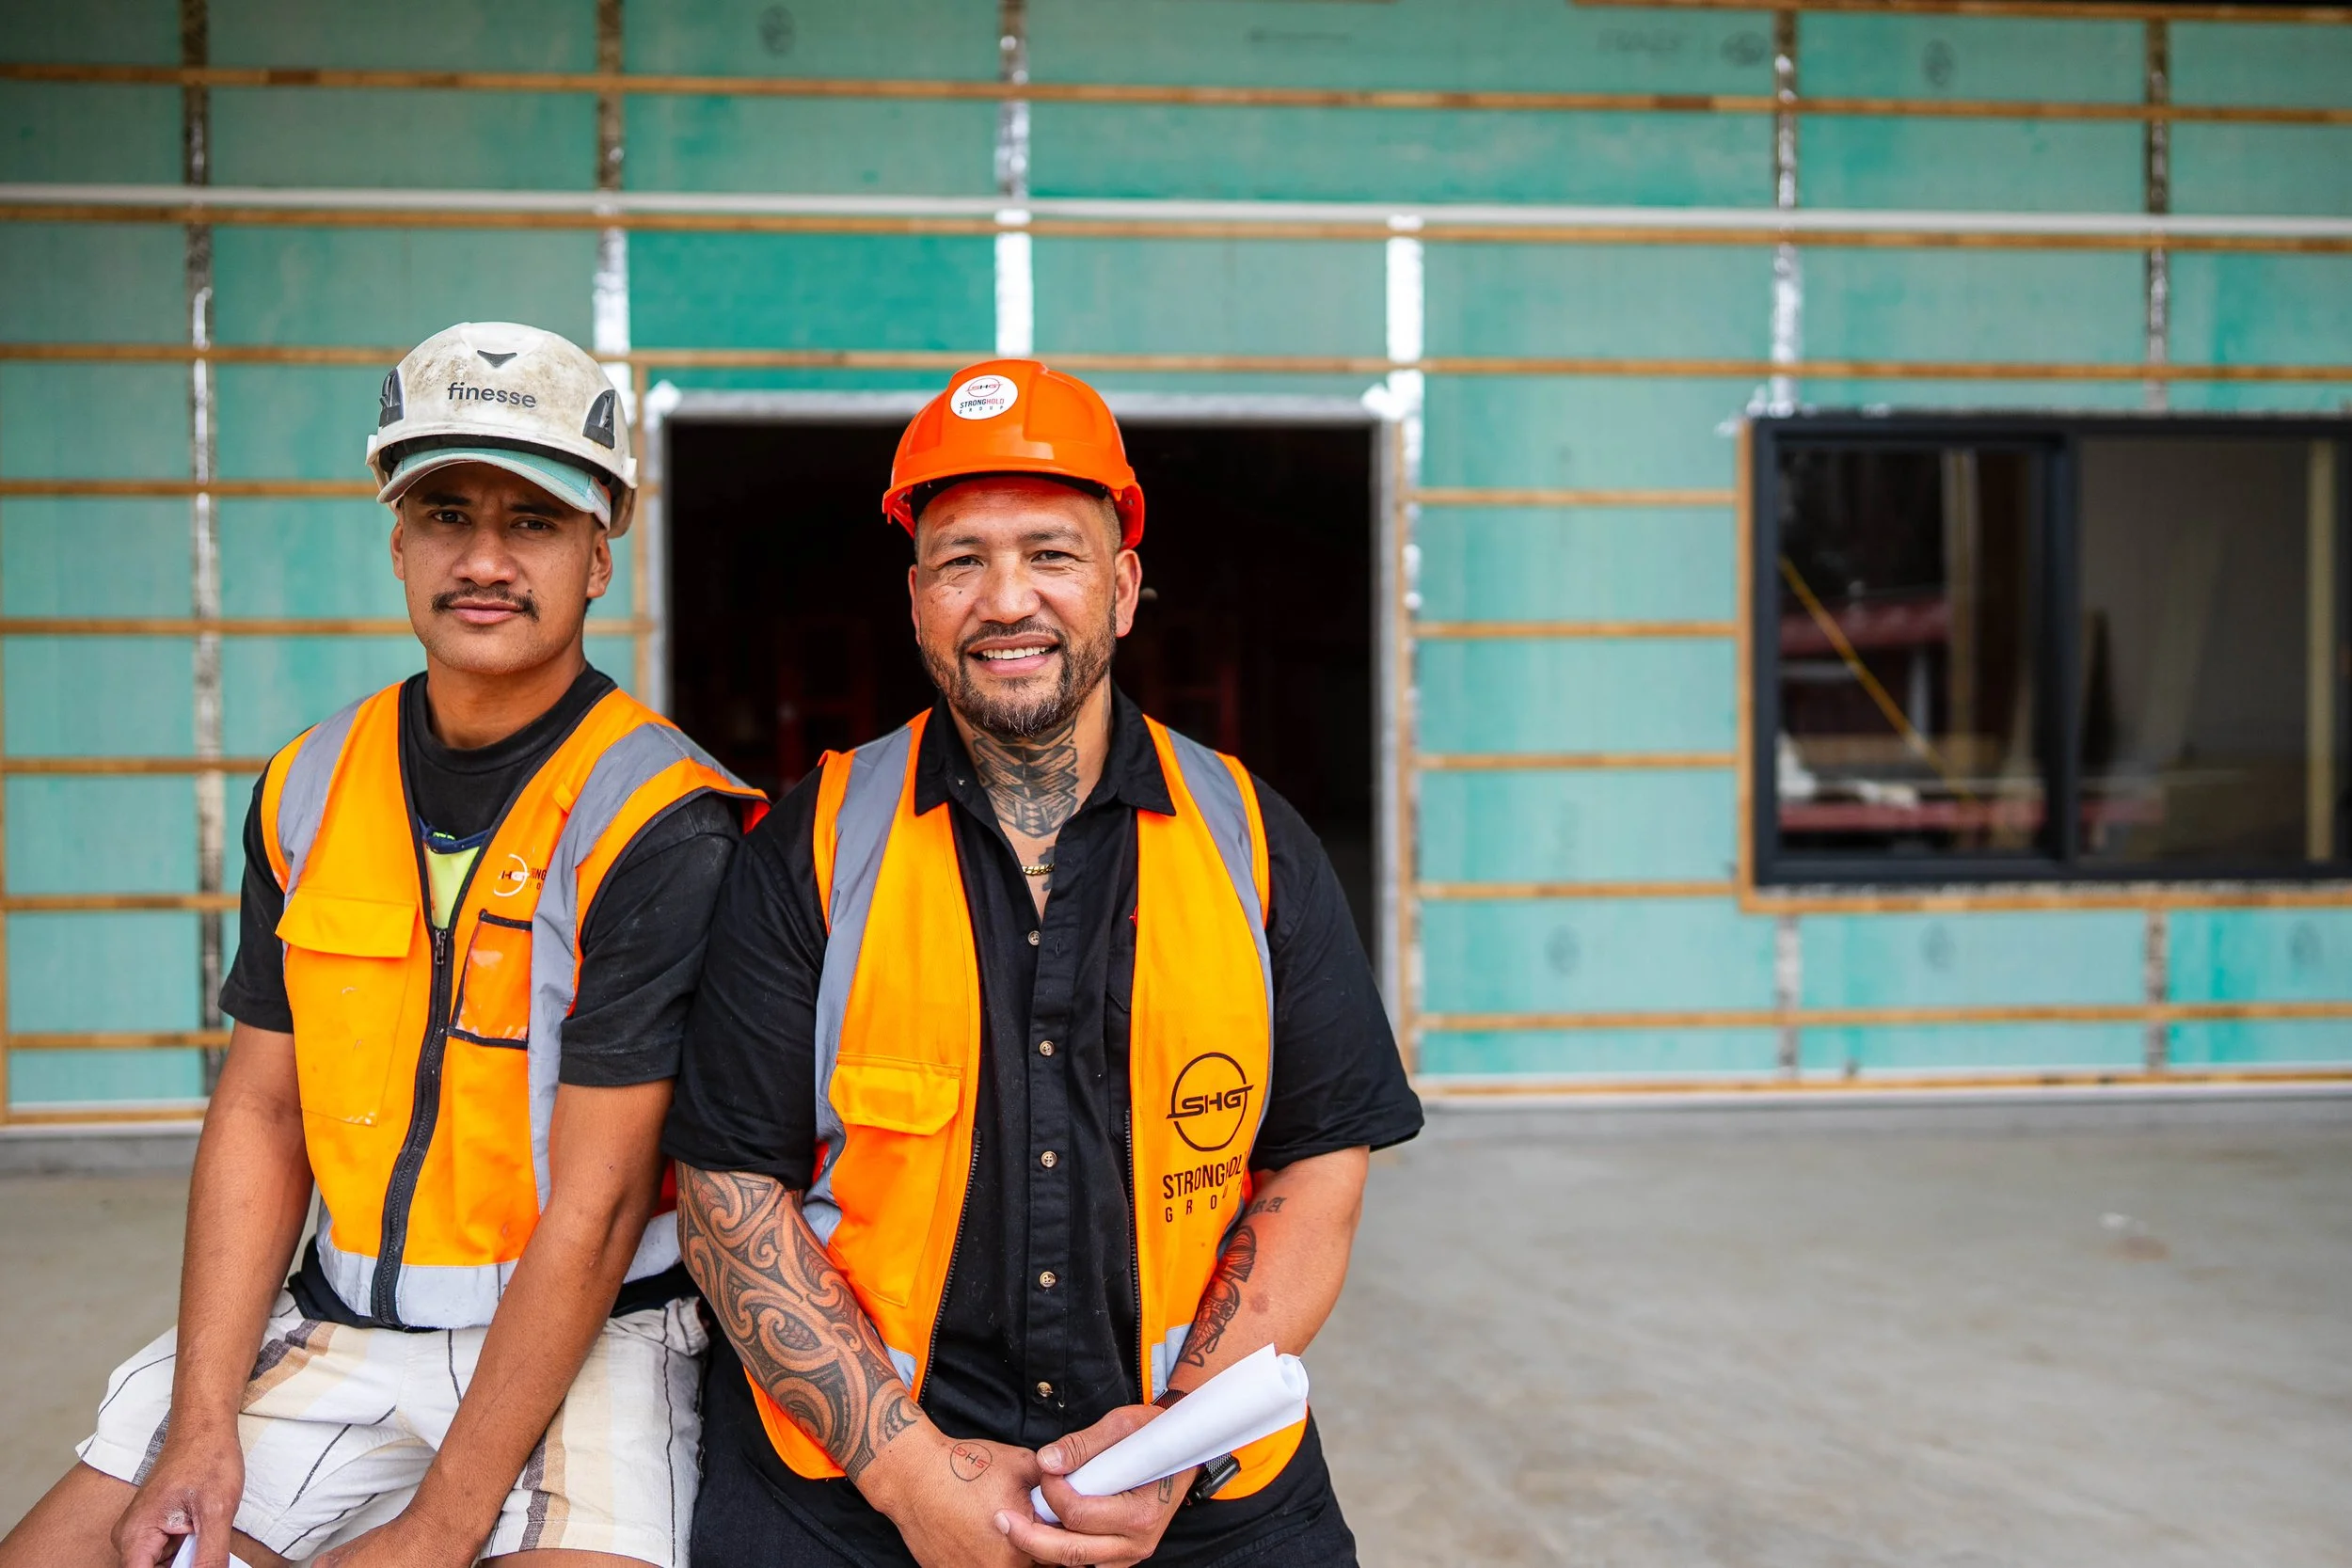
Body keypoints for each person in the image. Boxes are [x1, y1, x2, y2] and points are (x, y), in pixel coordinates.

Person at [0, 322, 760, 1568]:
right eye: (447, 512)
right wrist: (201, 1423)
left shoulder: (661, 817)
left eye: (533, 521)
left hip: (598, 1334)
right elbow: (260, 1107)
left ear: (598, 556)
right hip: (340, 1317)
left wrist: (440, 1527)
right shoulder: (309, 781)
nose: (484, 558)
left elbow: (600, 1195)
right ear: (397, 538)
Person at [666, 357, 1423, 1568]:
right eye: (961, 558)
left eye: (1051, 553)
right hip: (856, 1470)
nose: (1005, 598)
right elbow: (723, 1190)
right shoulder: (806, 845)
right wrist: (915, 1477)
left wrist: (1175, 1442)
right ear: (916, 600)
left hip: (1193, 1465)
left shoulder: (1253, 842)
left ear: (1123, 589)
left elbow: (1318, 1157)